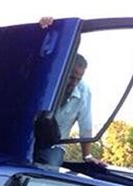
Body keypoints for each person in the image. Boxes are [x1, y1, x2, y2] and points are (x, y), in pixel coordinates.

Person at [36, 17, 102, 167]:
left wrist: (87, 155)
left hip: (55, 144)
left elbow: (86, 126)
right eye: (71, 77)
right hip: (29, 136)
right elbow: (42, 54)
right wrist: (45, 28)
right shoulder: (47, 80)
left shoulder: (84, 92)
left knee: (50, 168)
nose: (74, 82)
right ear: (64, 71)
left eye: (78, 79)